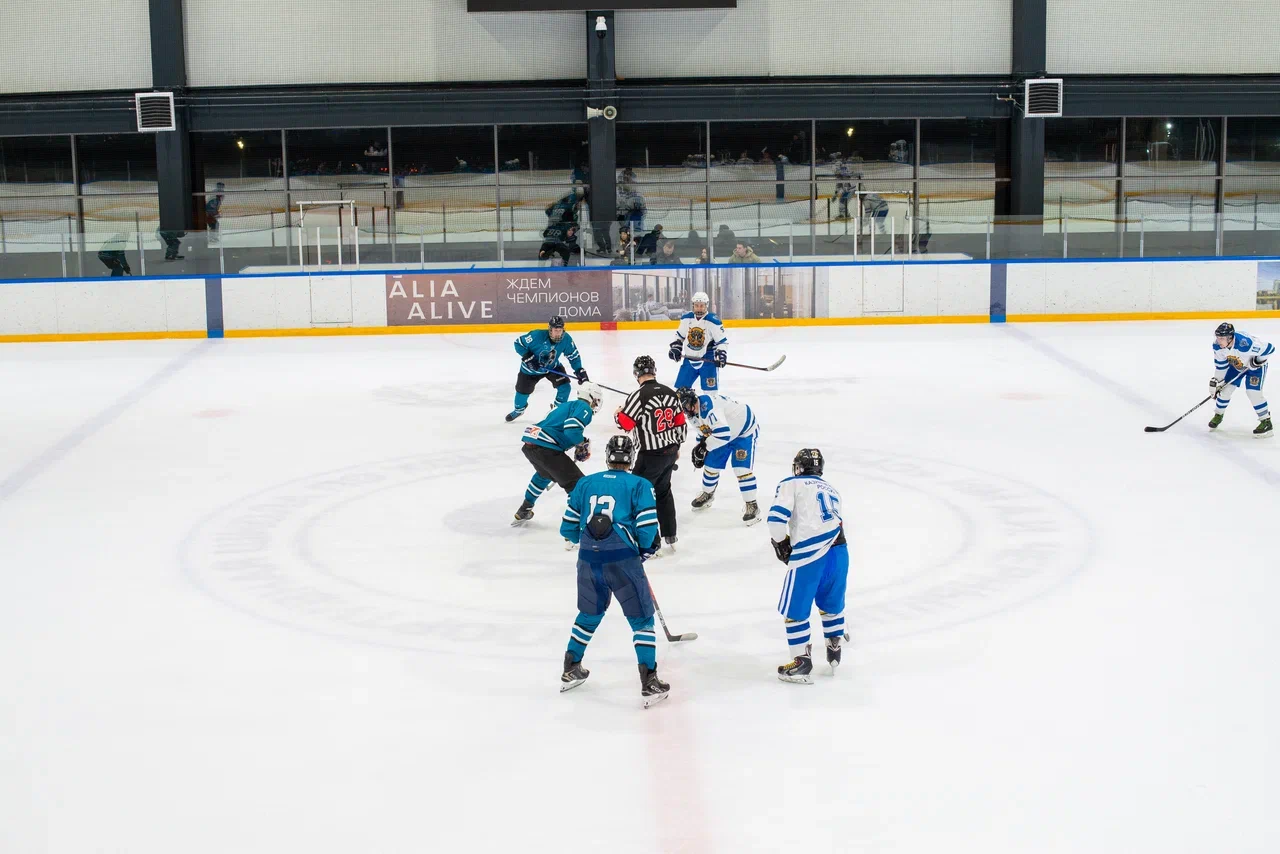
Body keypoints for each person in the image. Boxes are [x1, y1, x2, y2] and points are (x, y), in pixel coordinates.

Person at [559, 435, 669, 708]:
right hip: (623, 561)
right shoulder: (640, 485)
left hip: (588, 560)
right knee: (642, 620)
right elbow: (647, 529)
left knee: (589, 614)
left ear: (608, 456)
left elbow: (567, 528)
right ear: (631, 457)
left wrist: (590, 543)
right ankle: (649, 681)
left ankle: (571, 667)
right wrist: (643, 551)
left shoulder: (585, 483)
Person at [768, 448, 849, 684]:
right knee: (831, 604)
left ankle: (801, 662)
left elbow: (775, 520)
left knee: (795, 611)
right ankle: (834, 647)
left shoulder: (791, 483)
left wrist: (781, 543)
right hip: (840, 552)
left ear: (799, 467)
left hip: (810, 554)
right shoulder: (832, 489)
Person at [616, 355, 687, 553]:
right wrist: (676, 448)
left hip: (650, 455)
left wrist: (618, 413)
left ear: (636, 374)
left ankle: (652, 543)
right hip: (670, 452)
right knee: (663, 491)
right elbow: (681, 425)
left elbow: (626, 424)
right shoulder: (671, 393)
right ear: (654, 371)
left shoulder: (638, 395)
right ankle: (670, 535)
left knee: (640, 496)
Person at [513, 382, 604, 526]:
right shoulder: (583, 407)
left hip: (531, 444)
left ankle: (525, 508)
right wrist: (581, 444)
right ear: (592, 397)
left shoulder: (565, 405)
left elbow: (557, 427)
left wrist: (578, 444)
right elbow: (572, 429)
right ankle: (575, 522)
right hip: (546, 448)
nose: (595, 404)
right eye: (596, 401)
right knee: (577, 484)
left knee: (544, 475)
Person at [679, 388, 760, 524]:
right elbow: (704, 432)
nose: (685, 411)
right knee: (710, 466)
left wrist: (704, 448)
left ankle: (752, 504)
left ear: (692, 400)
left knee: (741, 470)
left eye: (686, 406)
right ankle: (708, 494)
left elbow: (723, 434)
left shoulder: (709, 409)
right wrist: (699, 449)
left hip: (743, 432)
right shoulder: (693, 414)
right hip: (722, 434)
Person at [506, 316, 589, 422]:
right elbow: (518, 343)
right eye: (555, 330)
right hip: (529, 370)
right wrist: (528, 358)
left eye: (560, 330)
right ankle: (519, 410)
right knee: (521, 393)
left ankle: (557, 411)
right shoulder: (536, 335)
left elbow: (573, 356)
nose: (558, 333)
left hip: (552, 367)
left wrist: (579, 370)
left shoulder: (566, 339)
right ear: (550, 330)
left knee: (565, 388)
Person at [1209, 322, 1273, 437]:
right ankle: (1218, 415)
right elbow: (1221, 366)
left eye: (1222, 338)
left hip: (1256, 368)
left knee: (1253, 393)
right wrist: (1218, 383)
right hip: (1237, 365)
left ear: (1230, 338)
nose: (1219, 340)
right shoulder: (1218, 346)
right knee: (1224, 391)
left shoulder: (1245, 344)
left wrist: (1257, 361)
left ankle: (1266, 421)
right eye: (1217, 337)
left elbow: (1269, 348)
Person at [668, 291, 727, 391]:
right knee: (679, 392)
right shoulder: (686, 319)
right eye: (696, 305)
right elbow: (679, 336)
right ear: (693, 305)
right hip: (689, 359)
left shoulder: (713, 321)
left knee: (711, 394)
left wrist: (721, 354)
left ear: (706, 305)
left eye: (701, 306)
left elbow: (722, 342)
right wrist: (676, 347)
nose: (699, 308)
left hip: (708, 360)